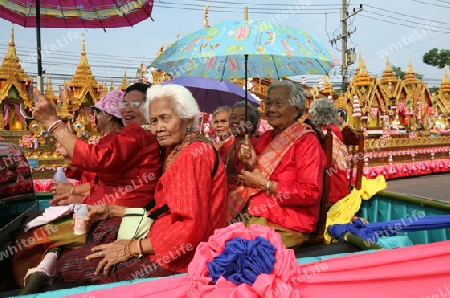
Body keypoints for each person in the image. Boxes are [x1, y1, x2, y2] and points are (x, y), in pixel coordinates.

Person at [55, 84, 228, 284]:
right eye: (153, 120)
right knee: (86, 248)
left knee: (67, 266)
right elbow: (164, 210)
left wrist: (131, 248)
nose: (158, 128)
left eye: (165, 118)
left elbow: (188, 229)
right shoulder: (177, 149)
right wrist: (111, 211)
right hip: (161, 240)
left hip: (177, 258)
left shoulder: (192, 154)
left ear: (188, 119)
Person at [14, 86, 162, 291]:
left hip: (116, 219)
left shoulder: (138, 134)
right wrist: (77, 195)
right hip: (104, 212)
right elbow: (101, 176)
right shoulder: (131, 135)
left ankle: (26, 288)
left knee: (29, 240)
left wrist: (52, 122)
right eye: (124, 104)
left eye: (135, 104)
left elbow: (96, 160)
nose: (127, 109)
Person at [237, 80, 326, 248]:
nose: (271, 109)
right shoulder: (266, 137)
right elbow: (253, 177)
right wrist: (250, 163)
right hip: (257, 212)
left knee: (238, 249)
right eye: (268, 103)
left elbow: (311, 192)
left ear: (295, 109)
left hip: (289, 222)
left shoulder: (307, 142)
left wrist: (266, 185)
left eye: (278, 103)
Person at [223, 101, 260, 222]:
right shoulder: (228, 143)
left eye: (242, 118)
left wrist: (249, 164)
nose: (235, 121)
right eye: (233, 117)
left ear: (252, 125)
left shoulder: (254, 144)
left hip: (242, 198)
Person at [308, 98, 350, 204]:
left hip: (332, 184)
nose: (310, 117)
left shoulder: (328, 132)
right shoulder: (328, 129)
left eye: (312, 114)